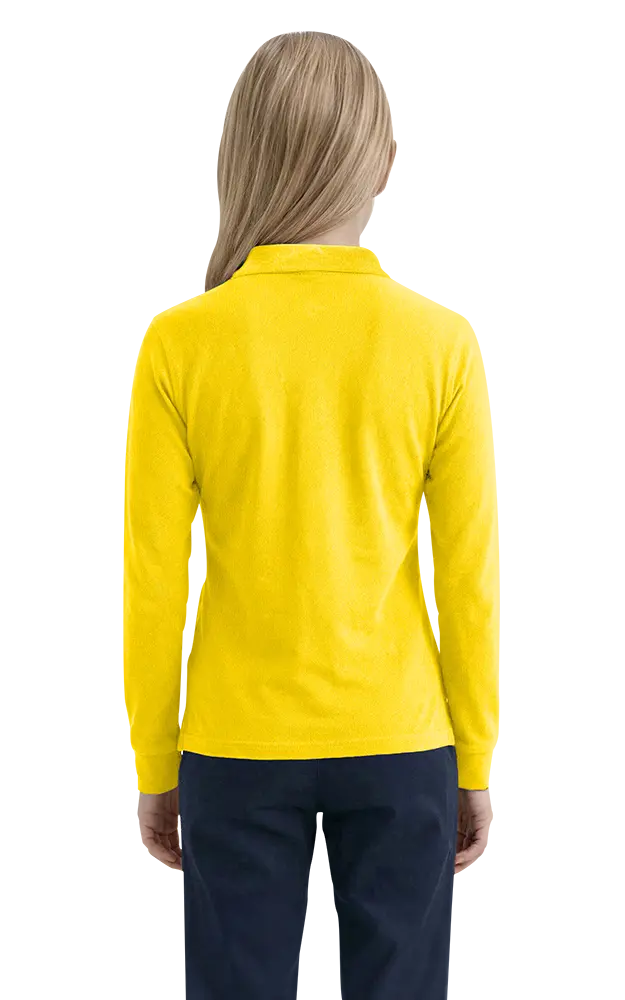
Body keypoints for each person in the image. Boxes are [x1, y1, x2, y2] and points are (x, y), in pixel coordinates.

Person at [123, 28, 499, 1000]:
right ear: (381, 161)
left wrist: (155, 762)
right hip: (400, 741)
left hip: (234, 747)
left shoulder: (180, 344)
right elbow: (466, 575)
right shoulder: (436, 343)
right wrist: (475, 755)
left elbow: (155, 582)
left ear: (244, 155)